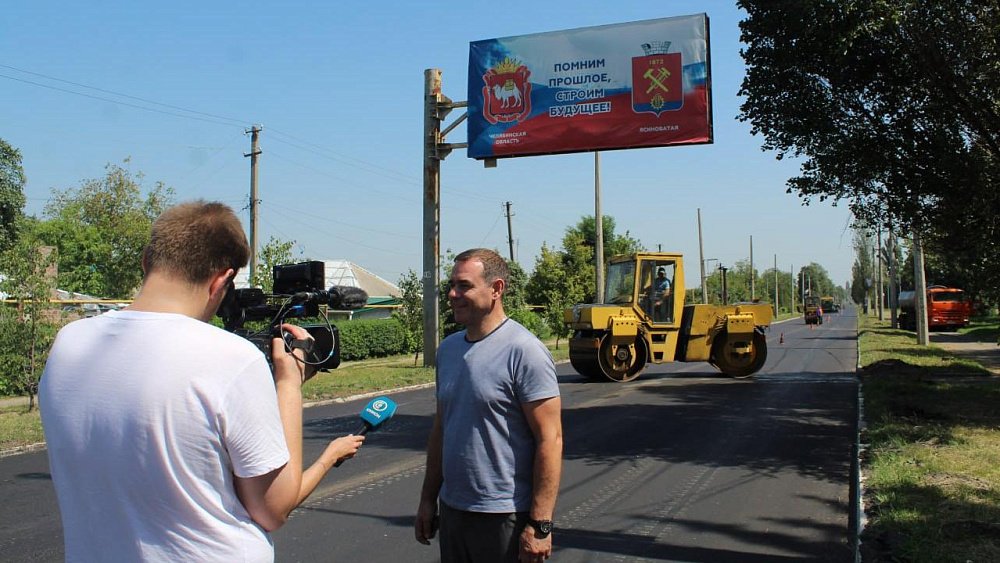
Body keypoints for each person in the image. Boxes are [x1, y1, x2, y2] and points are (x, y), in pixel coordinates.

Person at [39, 200, 365, 562]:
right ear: (223, 280)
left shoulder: (70, 342)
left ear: (147, 260)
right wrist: (289, 383)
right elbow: (274, 508)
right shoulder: (231, 359)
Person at [415, 248, 563, 563]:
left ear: (496, 289)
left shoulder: (524, 352)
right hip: (454, 509)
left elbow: (550, 440)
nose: (453, 294)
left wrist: (540, 523)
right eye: (452, 285)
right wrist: (428, 499)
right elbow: (442, 429)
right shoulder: (449, 350)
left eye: (464, 286)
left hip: (505, 515)